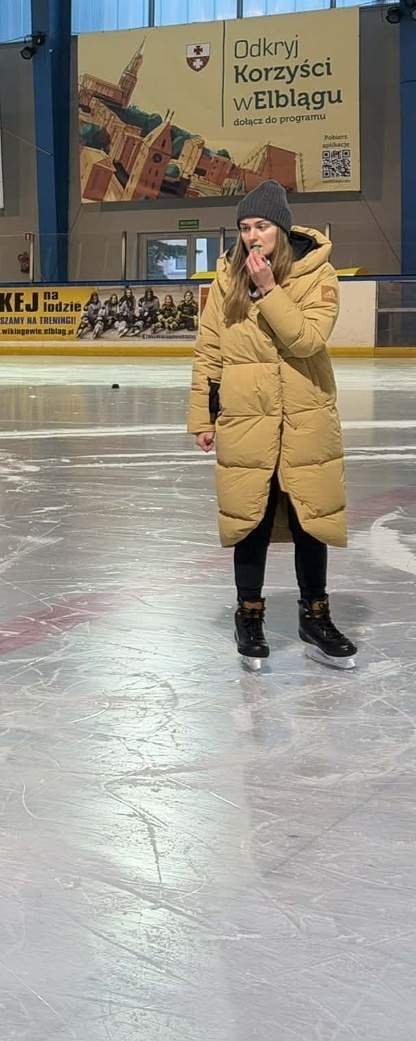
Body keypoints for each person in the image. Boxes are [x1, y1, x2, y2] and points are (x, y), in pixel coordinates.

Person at [188, 179, 356, 672]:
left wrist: (269, 290)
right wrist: (203, 414)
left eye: (261, 225)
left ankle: (315, 614)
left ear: (281, 229)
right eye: (244, 227)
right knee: (251, 519)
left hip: (306, 417)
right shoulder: (225, 280)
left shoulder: (317, 276)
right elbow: (209, 352)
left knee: (310, 518)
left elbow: (306, 341)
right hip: (246, 416)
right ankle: (249, 613)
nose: (252, 236)